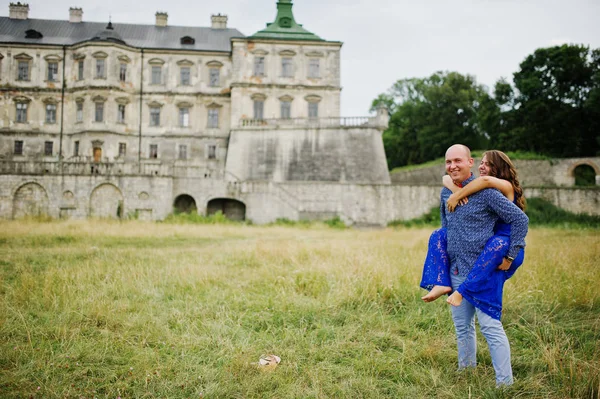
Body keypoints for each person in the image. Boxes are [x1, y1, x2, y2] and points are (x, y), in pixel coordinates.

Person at [428, 144, 529, 387]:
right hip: (456, 271)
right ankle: (466, 372)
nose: (452, 166)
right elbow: (447, 225)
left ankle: (505, 384)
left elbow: (520, 219)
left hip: (484, 273)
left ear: (470, 162)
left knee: (490, 327)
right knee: (462, 327)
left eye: (457, 161)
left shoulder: (489, 191)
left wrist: (512, 253)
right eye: (448, 161)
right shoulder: (446, 192)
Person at [421, 150, 527, 316]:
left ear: (499, 168)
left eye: (489, 164)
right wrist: (452, 186)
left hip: (508, 246)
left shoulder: (504, 185)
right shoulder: (488, 188)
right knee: (439, 234)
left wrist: (458, 194)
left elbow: (483, 181)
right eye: (482, 163)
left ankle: (462, 292)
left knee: (488, 311)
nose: (483, 167)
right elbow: (448, 179)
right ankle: (444, 284)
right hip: (493, 246)